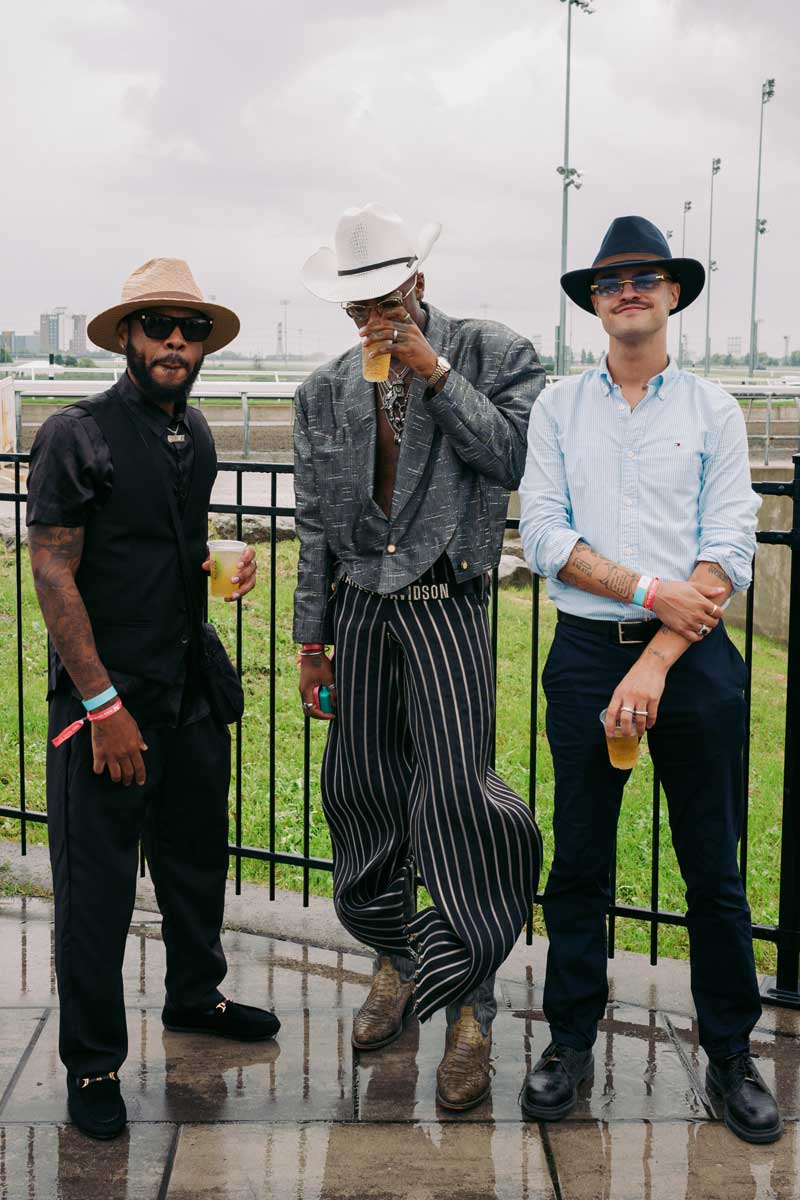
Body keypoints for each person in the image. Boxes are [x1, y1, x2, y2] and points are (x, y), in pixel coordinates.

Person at [517, 216, 782, 1144]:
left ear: (672, 293)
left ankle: (731, 1055)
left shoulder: (713, 411)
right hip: (588, 652)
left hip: (693, 660)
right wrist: (644, 591)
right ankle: (569, 1042)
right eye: (610, 280)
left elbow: (731, 545)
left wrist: (660, 651)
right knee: (579, 861)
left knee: (713, 869)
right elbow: (543, 534)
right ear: (594, 302)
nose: (627, 290)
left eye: (645, 276)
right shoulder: (558, 409)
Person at [294, 203, 544, 1110]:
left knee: (458, 802)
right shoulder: (323, 391)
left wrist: (432, 369)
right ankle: (397, 959)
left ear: (418, 285)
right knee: (361, 792)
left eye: (386, 300)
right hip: (361, 609)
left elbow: (513, 458)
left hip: (447, 603)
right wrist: (311, 641)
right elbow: (315, 521)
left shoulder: (493, 352)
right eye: (358, 307)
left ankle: (471, 1008)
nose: (373, 319)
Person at [26, 258, 280, 1141]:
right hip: (107, 700)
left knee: (195, 860)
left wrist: (215, 564)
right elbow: (53, 570)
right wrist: (102, 706)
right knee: (96, 890)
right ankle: (93, 1062)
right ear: (127, 337)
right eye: (159, 325)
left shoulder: (194, 432)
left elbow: (157, 543)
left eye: (192, 328)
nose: (176, 340)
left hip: (187, 688)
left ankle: (195, 997)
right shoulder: (76, 435)